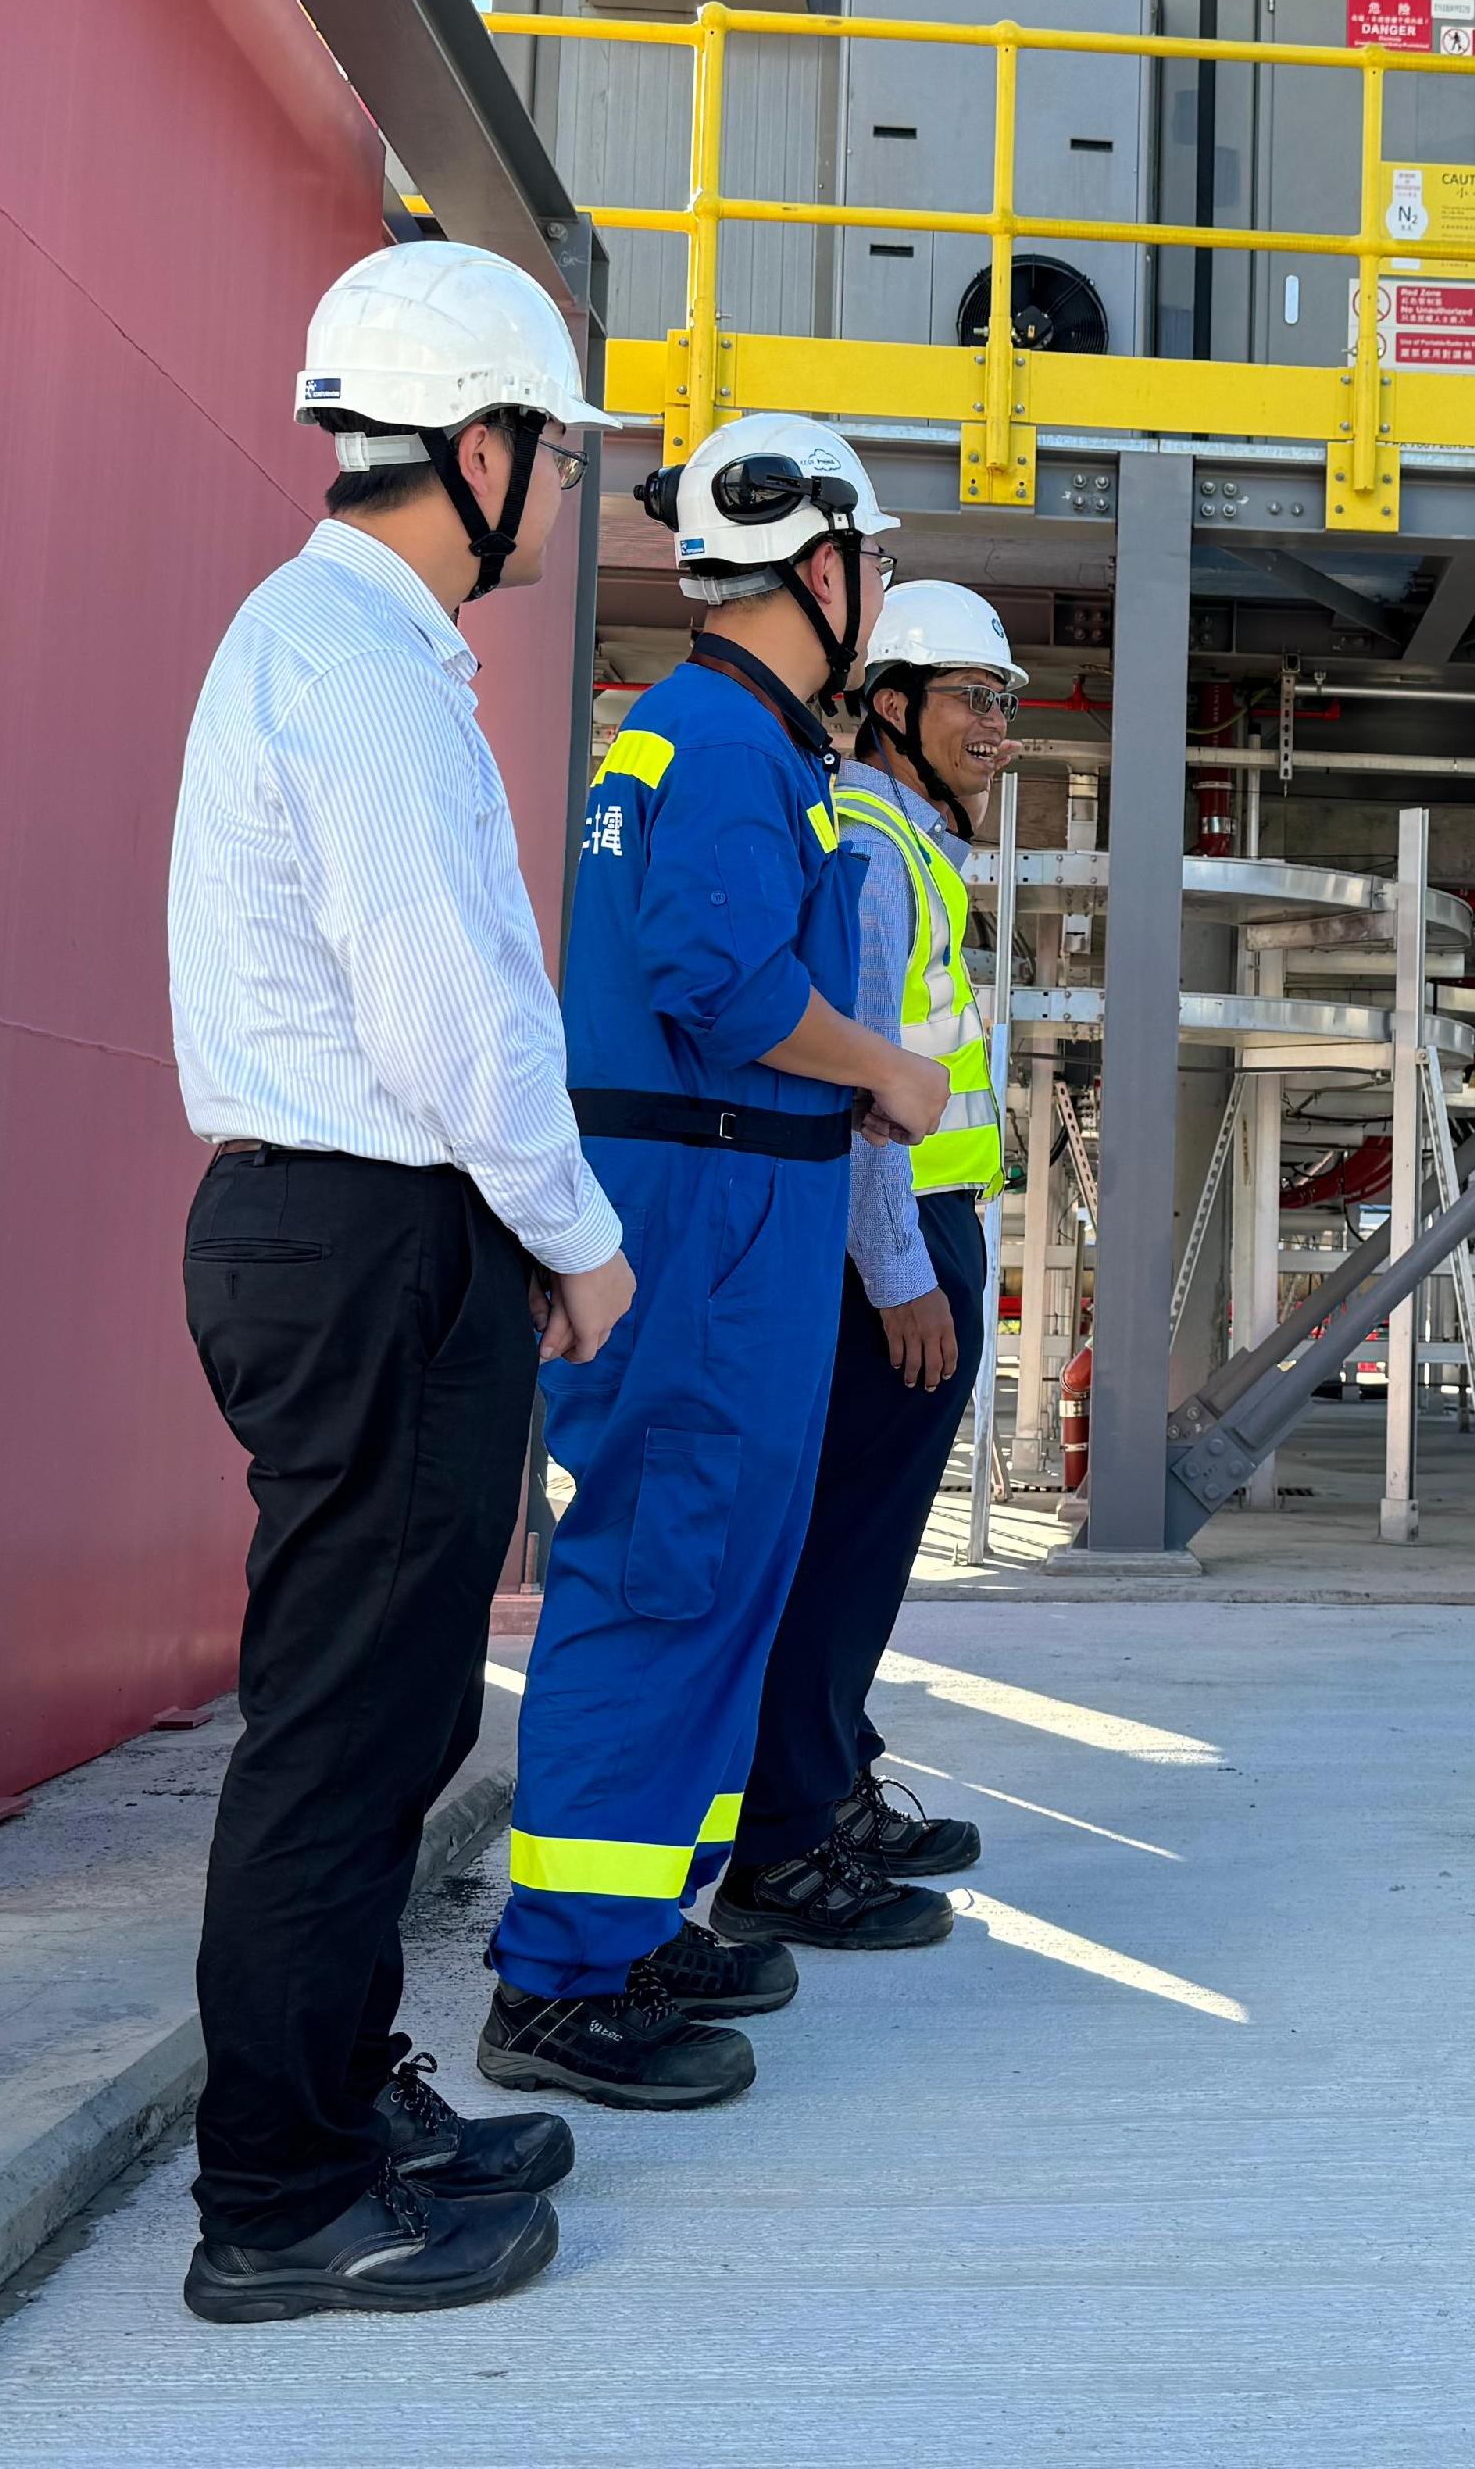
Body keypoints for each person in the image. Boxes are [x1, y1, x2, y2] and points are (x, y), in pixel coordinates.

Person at [164, 236, 634, 2323]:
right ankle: (277, 2200)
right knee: (345, 1735)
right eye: (554, 450)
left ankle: (341, 2102)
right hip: (372, 1225)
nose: (570, 489)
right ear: (478, 445)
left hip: (369, 1221)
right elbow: (447, 1006)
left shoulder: (346, 646)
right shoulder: (355, 669)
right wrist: (577, 1237)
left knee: (377, 1710)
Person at [477, 412, 949, 2108]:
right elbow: (724, 983)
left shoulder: (721, 740)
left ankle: (632, 1923)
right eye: (877, 563)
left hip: (726, 1209)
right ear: (821, 569)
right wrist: (891, 1073)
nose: (881, 589)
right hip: (707, 1216)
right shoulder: (728, 750)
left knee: (719, 1572)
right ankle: (558, 1979)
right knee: (664, 1572)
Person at [713, 581, 1024, 1949]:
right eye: (973, 699)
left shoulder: (897, 834)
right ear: (889, 707)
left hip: (909, 1235)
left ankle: (827, 1780)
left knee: (863, 1548)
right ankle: (788, 1836)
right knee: (843, 1550)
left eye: (1007, 702)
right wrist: (898, 1265)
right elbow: (857, 1084)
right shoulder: (877, 850)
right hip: (883, 1255)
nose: (998, 730)